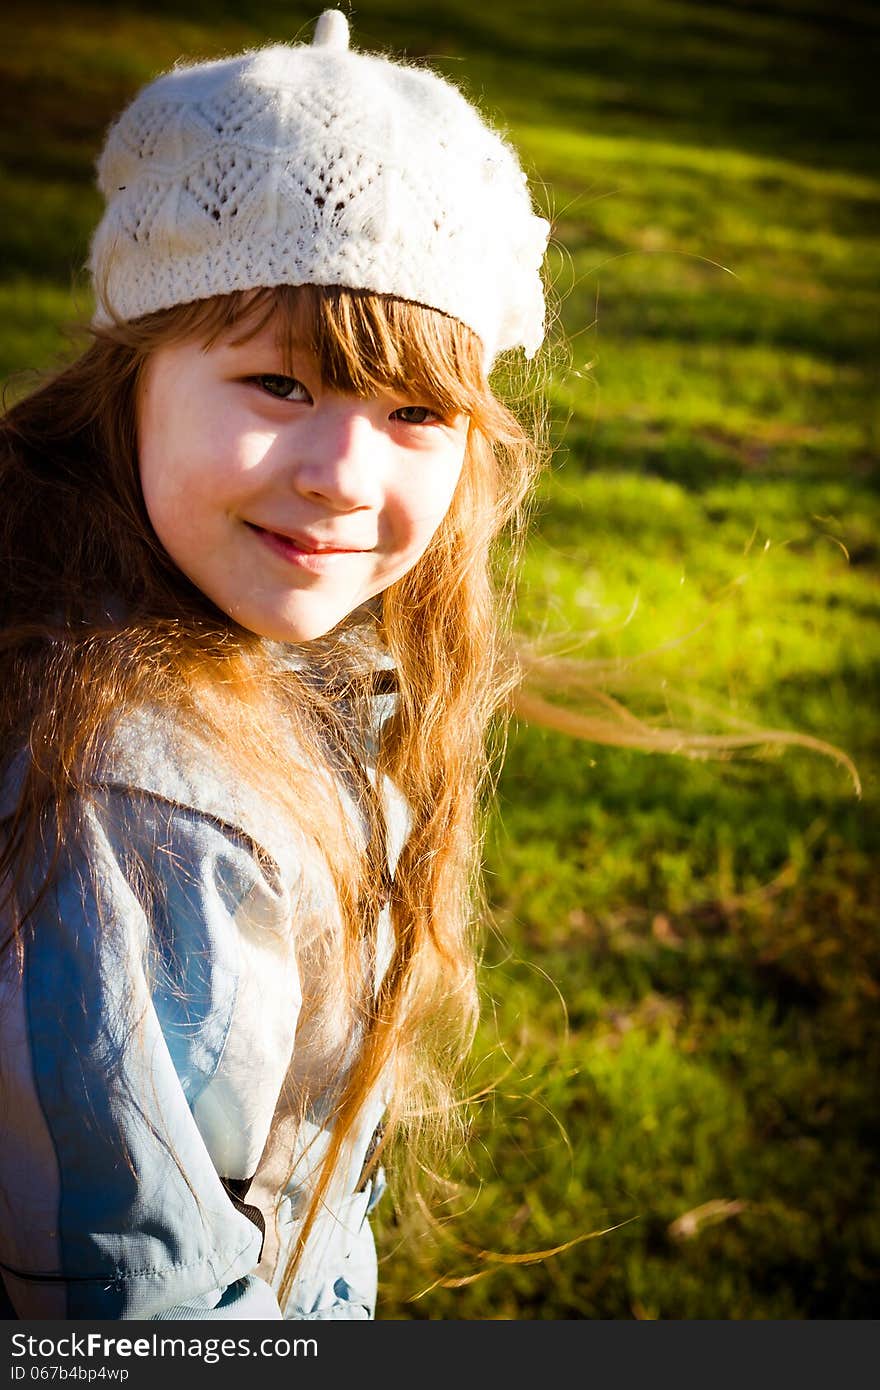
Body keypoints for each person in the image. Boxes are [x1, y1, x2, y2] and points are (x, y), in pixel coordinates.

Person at [0, 9, 552, 1319]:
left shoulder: (251, 647)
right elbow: (126, 1306)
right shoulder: (131, 803)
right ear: (130, 373)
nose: (344, 475)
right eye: (280, 387)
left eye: (417, 412)